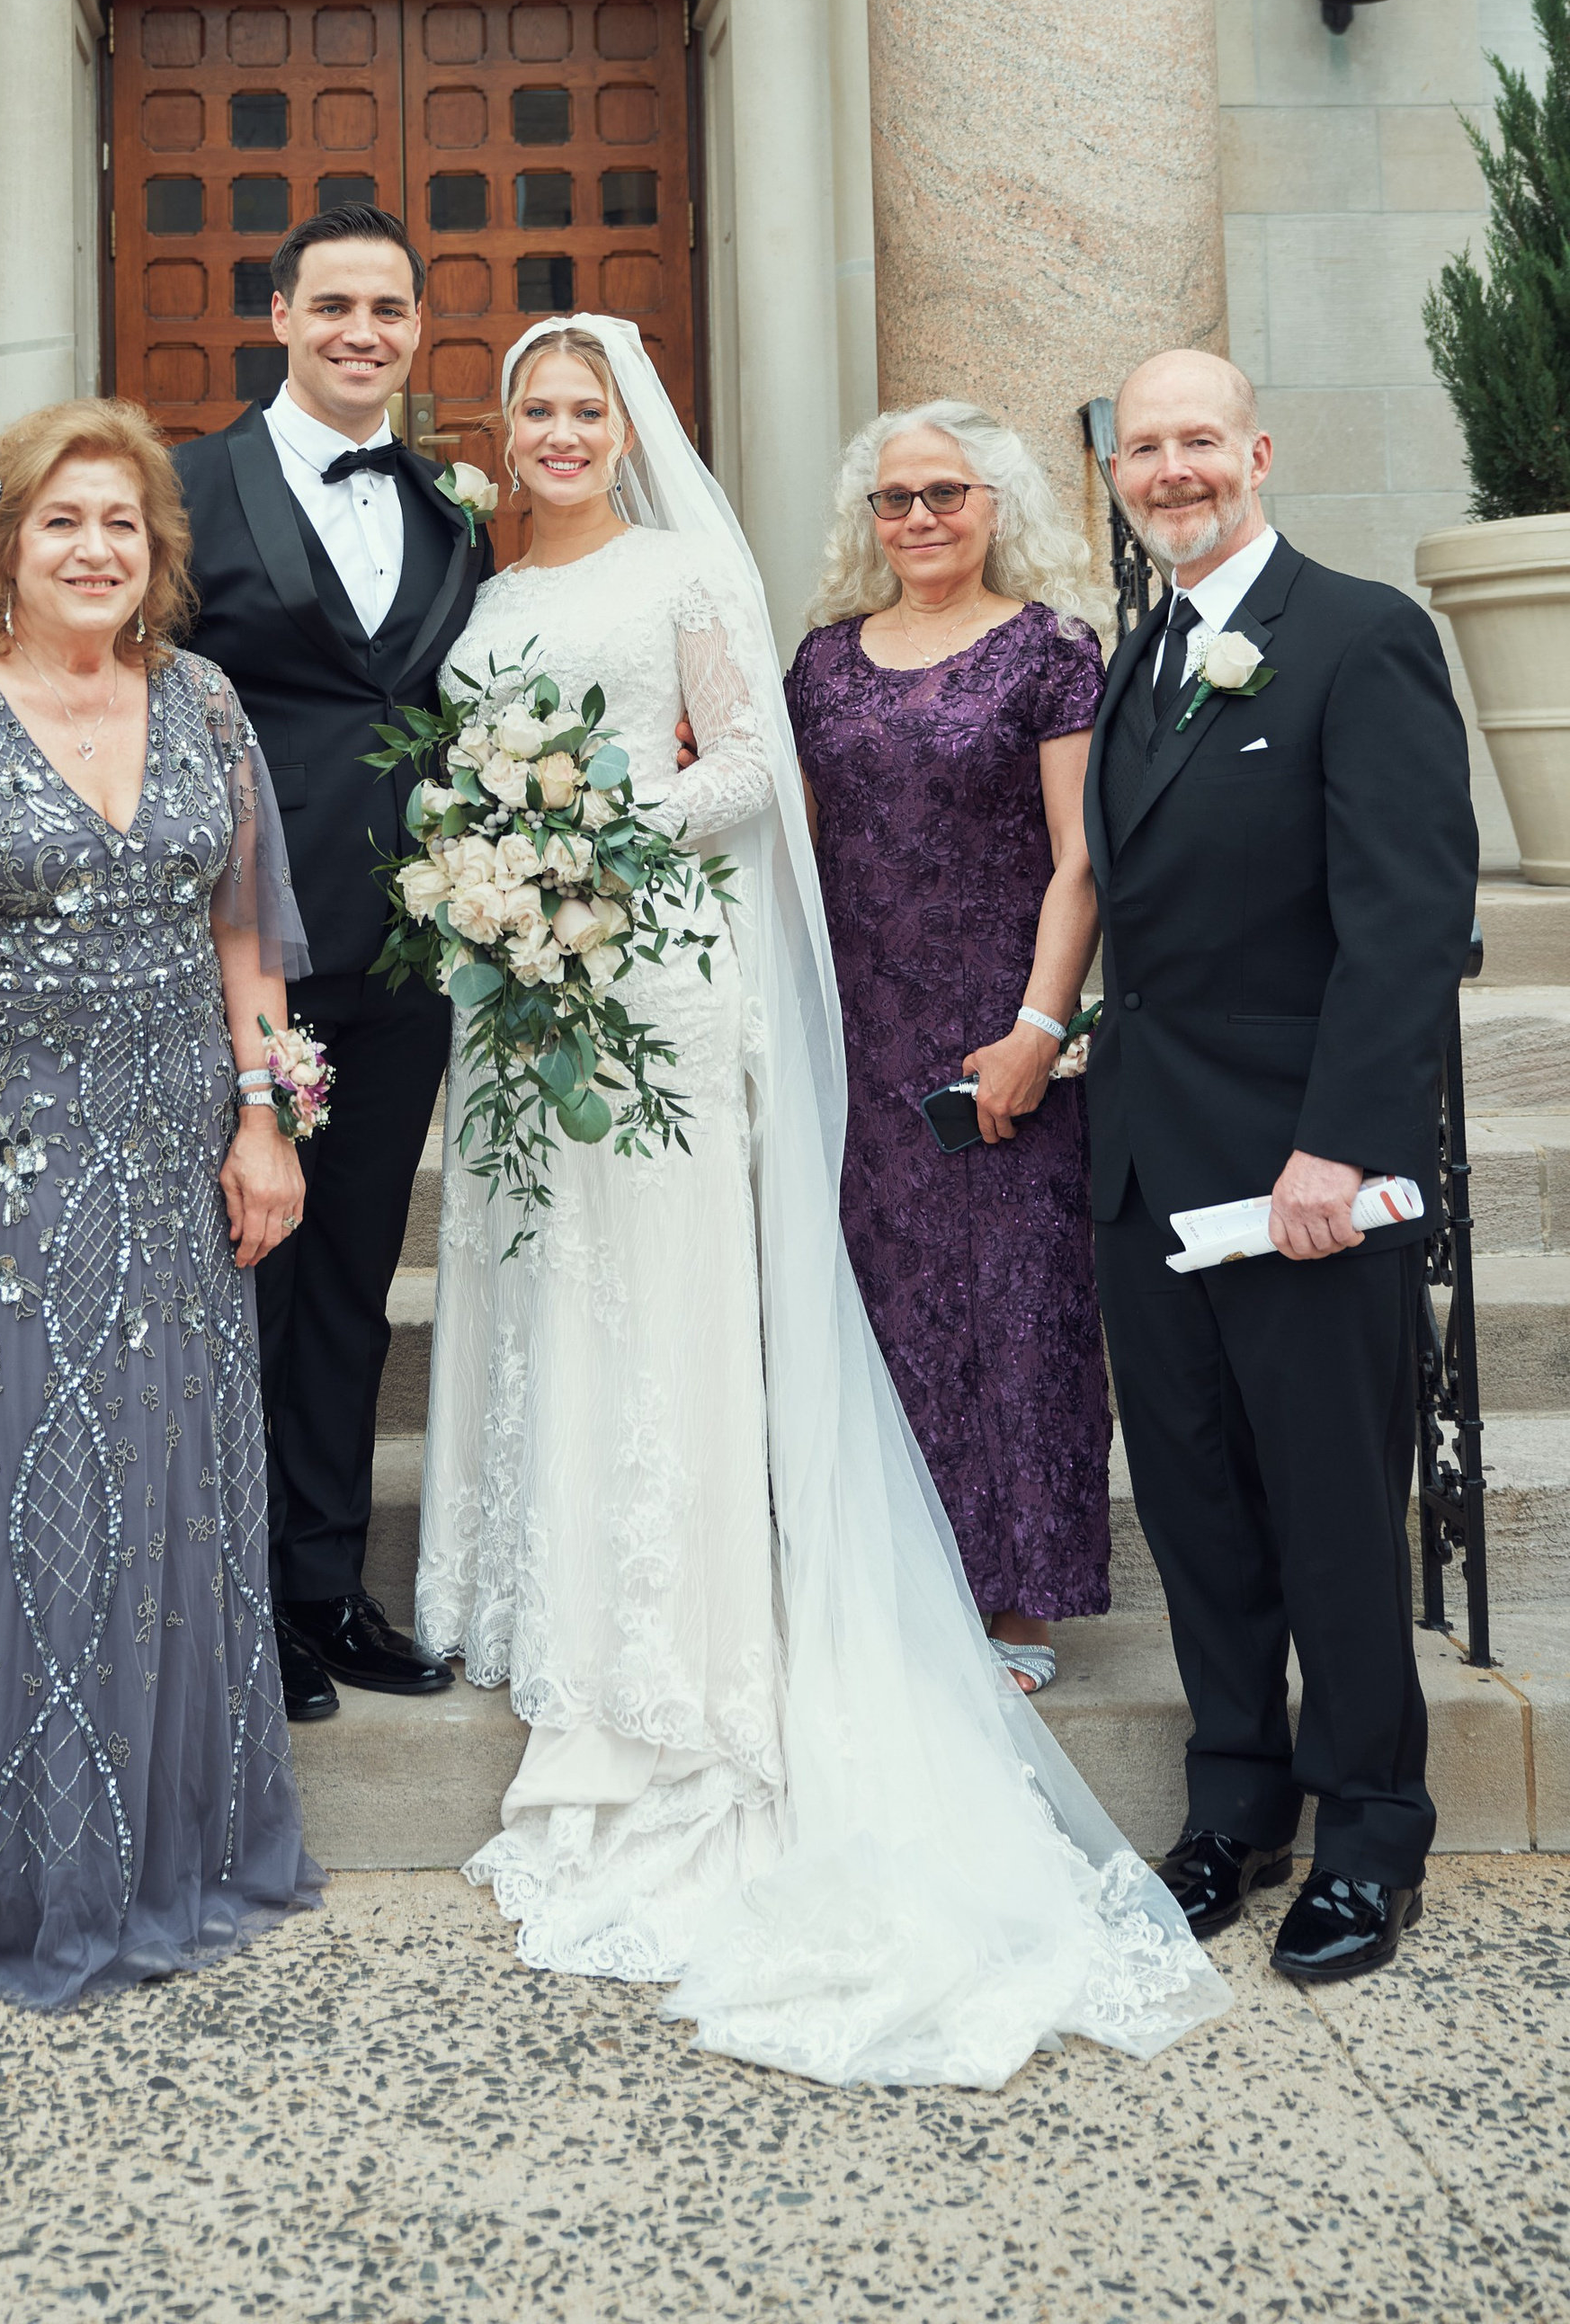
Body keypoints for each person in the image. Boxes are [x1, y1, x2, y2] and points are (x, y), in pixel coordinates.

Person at [415, 318, 1226, 2088]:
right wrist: (491, 857)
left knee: (828, 1305)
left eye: (589, 407)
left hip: (748, 983)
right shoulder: (510, 594)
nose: (562, 431)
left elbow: (749, 776)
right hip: (584, 989)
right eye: (536, 410)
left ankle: (855, 1613)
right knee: (596, 1293)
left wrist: (584, 835)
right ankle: (572, 1600)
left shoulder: (738, 591)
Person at [0, 398, 320, 2007]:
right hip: (8, 1157)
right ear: (10, 543)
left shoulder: (205, 701)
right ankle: (42, 1871)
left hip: (181, 1142)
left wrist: (265, 1122)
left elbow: (245, 931)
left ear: (156, 550)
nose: (95, 550)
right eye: (63, 521)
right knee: (34, 1482)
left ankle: (178, 1844)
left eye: (122, 523)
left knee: (178, 1477)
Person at [1088, 350, 1477, 1983]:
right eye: (1145, 447)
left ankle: (1371, 1831)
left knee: (1331, 1513)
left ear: (1257, 453)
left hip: (1299, 1171)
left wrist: (1344, 1145)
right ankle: (1234, 1809)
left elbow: (1407, 922)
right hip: (1149, 1166)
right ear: (1119, 473)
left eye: (1200, 440)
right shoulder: (1143, 649)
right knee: (1199, 1514)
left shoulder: (1361, 634)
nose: (1172, 469)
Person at [173, 208, 492, 1722]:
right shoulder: (184, 492)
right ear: (281, 316)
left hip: (409, 956)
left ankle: (324, 1584)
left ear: (416, 330)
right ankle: (238, 1602)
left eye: (390, 310)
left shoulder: (449, 507)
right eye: (335, 305)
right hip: (245, 946)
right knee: (253, 1272)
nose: (364, 332)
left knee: (356, 1275)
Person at [784, 403, 1110, 1698]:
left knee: (1016, 1307)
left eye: (945, 494)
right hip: (859, 1037)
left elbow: (1081, 860)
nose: (918, 518)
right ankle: (895, 1580)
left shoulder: (1052, 651)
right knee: (885, 1306)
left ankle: (1018, 1599)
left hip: (995, 1032)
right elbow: (795, 848)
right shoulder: (821, 662)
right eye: (894, 498)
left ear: (996, 505)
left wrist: (1040, 1028)